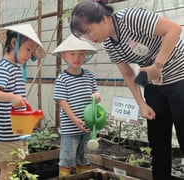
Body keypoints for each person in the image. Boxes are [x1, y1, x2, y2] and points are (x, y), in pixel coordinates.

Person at [70, 0, 184, 179]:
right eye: (84, 35)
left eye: (89, 31)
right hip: (154, 85)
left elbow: (174, 29)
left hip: (180, 78)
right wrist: (141, 104)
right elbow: (128, 74)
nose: (89, 37)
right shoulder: (109, 43)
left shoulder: (131, 18)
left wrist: (157, 66)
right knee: (158, 145)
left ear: (103, 19)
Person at [0, 24, 45, 180]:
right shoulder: (5, 67)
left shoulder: (14, 68)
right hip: (6, 132)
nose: (29, 55)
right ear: (14, 43)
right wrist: (12, 97)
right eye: (28, 49)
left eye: (32, 52)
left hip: (14, 130)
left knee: (13, 166)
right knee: (10, 168)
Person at [52, 34, 101, 177]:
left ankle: (83, 177)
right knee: (67, 157)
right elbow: (62, 101)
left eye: (81, 54)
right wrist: (74, 119)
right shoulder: (63, 78)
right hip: (70, 126)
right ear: (64, 56)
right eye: (72, 54)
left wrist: (97, 96)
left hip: (87, 124)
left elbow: (96, 93)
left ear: (86, 55)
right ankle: (64, 177)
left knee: (84, 156)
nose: (76, 57)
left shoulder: (89, 75)